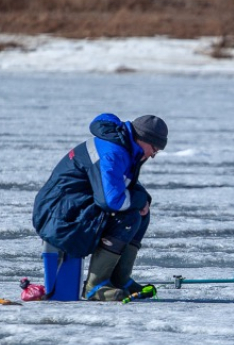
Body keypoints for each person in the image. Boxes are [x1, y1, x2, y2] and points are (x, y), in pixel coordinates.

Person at [32, 113, 168, 301]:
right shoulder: (113, 151)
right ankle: (95, 286)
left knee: (141, 213)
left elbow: (119, 187)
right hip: (60, 215)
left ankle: (120, 279)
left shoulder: (125, 146)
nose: (152, 155)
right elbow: (111, 201)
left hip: (76, 208)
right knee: (128, 217)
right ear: (143, 139)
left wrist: (143, 199)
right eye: (154, 149)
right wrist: (138, 200)